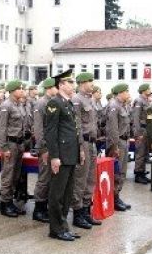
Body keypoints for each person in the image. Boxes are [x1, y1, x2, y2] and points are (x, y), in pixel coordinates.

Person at [44, 70, 82, 242]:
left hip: (71, 154)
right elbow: (51, 133)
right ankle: (56, 229)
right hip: (61, 155)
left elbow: (73, 131)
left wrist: (79, 150)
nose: (73, 85)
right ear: (61, 85)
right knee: (57, 194)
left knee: (67, 194)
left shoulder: (68, 104)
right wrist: (54, 157)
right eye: (70, 82)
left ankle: (64, 225)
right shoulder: (54, 104)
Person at [70, 73, 101, 229]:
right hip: (83, 143)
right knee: (80, 179)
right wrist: (80, 146)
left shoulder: (90, 99)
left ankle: (86, 211)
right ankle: (77, 213)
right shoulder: (76, 100)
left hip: (92, 143)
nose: (92, 84)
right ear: (82, 83)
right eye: (90, 81)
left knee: (90, 179)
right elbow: (77, 126)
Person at [0, 79, 31, 218]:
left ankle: (10, 200)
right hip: (10, 144)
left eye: (22, 88)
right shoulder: (6, 106)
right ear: (12, 90)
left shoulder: (20, 105)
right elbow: (1, 128)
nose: (22, 90)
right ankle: (5, 203)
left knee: (15, 175)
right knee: (8, 175)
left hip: (19, 144)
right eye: (19, 88)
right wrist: (4, 147)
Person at [31, 77, 57, 223]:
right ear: (49, 88)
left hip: (53, 146)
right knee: (44, 179)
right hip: (45, 147)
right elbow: (39, 129)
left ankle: (45, 206)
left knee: (51, 178)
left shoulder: (52, 102)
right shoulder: (41, 103)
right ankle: (38, 209)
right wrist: (43, 148)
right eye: (55, 87)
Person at [106, 83, 133, 211]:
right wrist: (115, 146)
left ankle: (117, 195)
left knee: (122, 171)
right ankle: (113, 198)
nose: (128, 93)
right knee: (116, 172)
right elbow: (113, 129)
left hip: (125, 141)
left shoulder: (124, 106)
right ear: (120, 93)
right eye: (126, 91)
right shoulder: (114, 106)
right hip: (117, 143)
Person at [131, 84, 152, 184]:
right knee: (140, 153)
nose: (150, 90)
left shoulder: (146, 100)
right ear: (144, 90)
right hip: (141, 130)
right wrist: (137, 132)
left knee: (145, 153)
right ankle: (138, 174)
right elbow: (136, 118)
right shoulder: (139, 101)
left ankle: (142, 172)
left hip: (146, 129)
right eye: (148, 89)